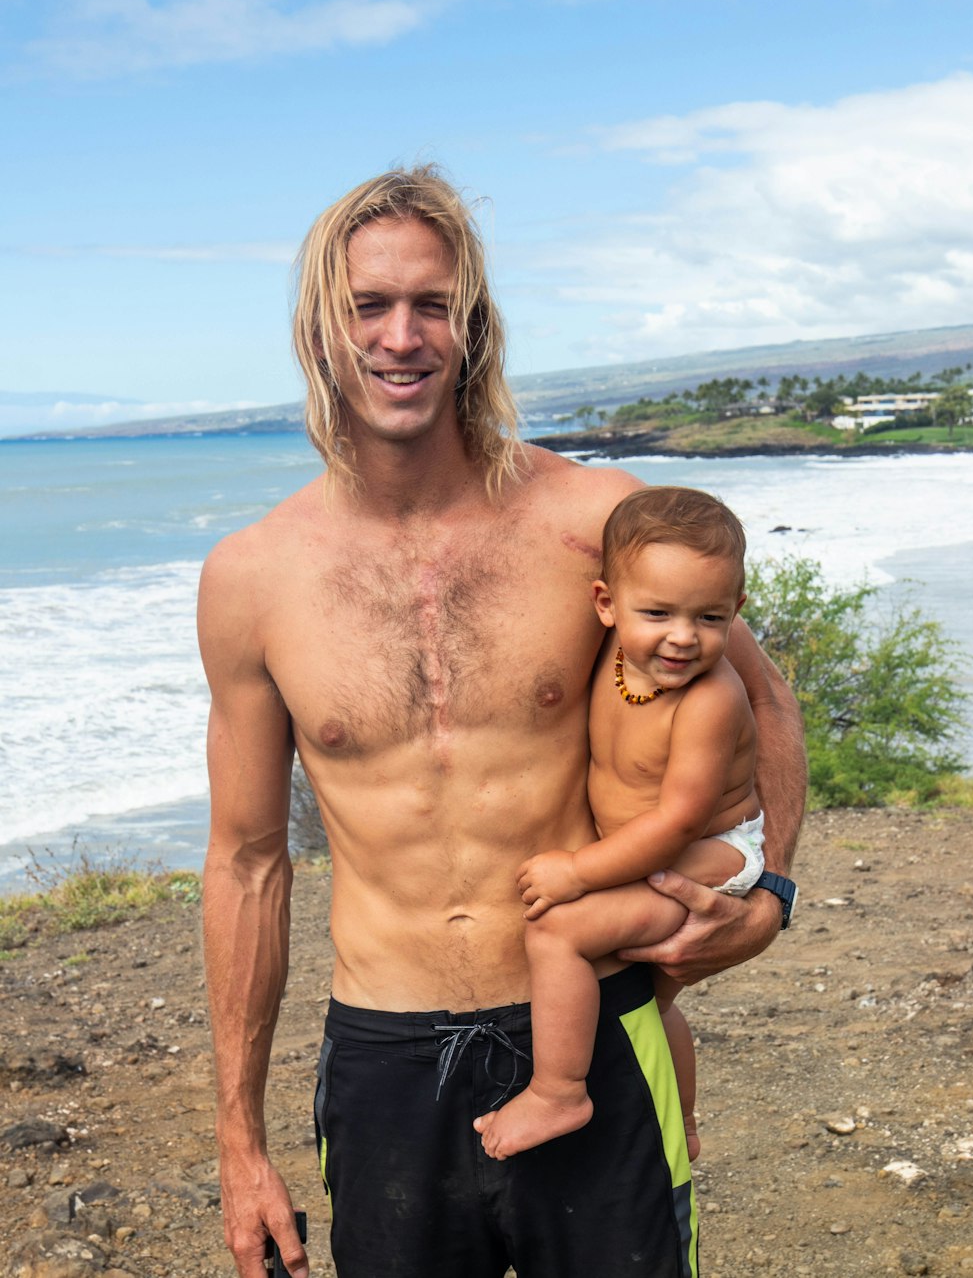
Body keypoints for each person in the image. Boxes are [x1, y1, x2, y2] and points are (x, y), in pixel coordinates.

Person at [199, 166, 806, 1278]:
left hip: (593, 1022)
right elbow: (245, 862)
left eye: (432, 304)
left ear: (473, 326)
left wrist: (768, 892)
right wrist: (240, 1145)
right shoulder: (251, 579)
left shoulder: (594, 521)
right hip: (384, 1053)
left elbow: (761, 697)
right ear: (319, 331)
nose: (401, 336)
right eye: (367, 306)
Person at [475, 486, 761, 1164]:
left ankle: (559, 1091)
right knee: (654, 1003)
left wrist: (577, 872)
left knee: (559, 931)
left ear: (737, 612)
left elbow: (678, 819)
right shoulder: (615, 660)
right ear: (607, 605)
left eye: (710, 617)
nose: (684, 637)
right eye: (658, 612)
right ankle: (683, 1124)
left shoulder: (709, 699)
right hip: (660, 845)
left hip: (712, 853)